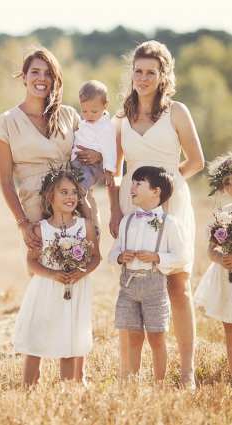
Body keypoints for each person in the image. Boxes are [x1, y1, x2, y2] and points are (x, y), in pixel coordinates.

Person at [0, 46, 101, 381]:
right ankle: (33, 374)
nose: (41, 79)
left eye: (48, 73)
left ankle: (77, 374)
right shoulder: (5, 123)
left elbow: (92, 150)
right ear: (24, 77)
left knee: (78, 279)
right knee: (44, 285)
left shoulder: (68, 116)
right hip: (36, 209)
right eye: (35, 72)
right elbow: (5, 180)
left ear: (55, 79)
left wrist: (98, 159)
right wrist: (22, 222)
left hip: (74, 201)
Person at [108, 40, 204, 389]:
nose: (144, 78)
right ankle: (130, 375)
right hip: (132, 203)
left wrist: (164, 186)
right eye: (138, 71)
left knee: (178, 285)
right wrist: (116, 207)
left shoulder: (176, 112)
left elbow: (196, 161)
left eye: (151, 72)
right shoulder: (121, 116)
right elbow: (114, 168)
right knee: (133, 282)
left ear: (164, 75)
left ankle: (186, 372)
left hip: (170, 202)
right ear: (131, 74)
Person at [13, 170, 100, 387]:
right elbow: (31, 262)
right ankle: (28, 387)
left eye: (74, 192)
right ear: (50, 196)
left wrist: (81, 271)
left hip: (75, 288)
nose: (70, 197)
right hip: (46, 289)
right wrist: (53, 274)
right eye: (64, 192)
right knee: (36, 335)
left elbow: (96, 257)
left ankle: (67, 388)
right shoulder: (40, 229)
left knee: (69, 337)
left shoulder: (85, 226)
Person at [108, 166, 188, 383]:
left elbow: (182, 256)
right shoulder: (127, 221)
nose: (131, 188)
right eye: (132, 183)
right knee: (133, 336)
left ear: (156, 191)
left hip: (155, 286)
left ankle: (159, 383)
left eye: (138, 184)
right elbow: (112, 253)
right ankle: (132, 382)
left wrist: (157, 257)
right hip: (128, 287)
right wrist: (120, 257)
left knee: (156, 336)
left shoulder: (169, 223)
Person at [194, 153, 232, 376]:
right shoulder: (224, 214)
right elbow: (211, 248)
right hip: (227, 279)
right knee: (229, 328)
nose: (231, 187)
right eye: (227, 183)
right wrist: (219, 258)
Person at [70, 80, 116, 189]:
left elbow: (110, 150)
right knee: (68, 184)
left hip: (91, 166)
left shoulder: (106, 127)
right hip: (75, 162)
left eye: (94, 111)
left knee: (79, 187)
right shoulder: (83, 121)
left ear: (105, 105)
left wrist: (108, 171)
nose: (89, 115)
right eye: (84, 111)